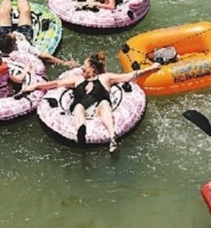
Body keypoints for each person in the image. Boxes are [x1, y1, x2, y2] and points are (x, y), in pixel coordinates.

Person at [23, 52, 160, 153]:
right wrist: (35, 86)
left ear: (93, 68)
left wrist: (152, 68)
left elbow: (129, 76)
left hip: (98, 109)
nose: (82, 68)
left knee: (104, 104)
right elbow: (57, 83)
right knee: (78, 107)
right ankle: (81, 131)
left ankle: (113, 138)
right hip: (81, 109)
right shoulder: (77, 80)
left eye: (85, 66)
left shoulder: (105, 78)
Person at [0, 0, 77, 68]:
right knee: (25, 11)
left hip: (4, 40)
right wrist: (64, 63)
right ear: (14, 43)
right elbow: (45, 57)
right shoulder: (23, 47)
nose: (12, 33)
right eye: (12, 36)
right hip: (23, 35)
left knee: (3, 13)